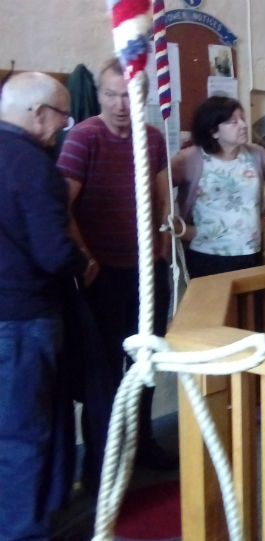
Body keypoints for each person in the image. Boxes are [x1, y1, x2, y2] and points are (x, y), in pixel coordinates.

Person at [57, 58, 175, 478]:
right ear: (100, 95)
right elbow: (62, 204)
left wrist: (163, 234)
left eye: (129, 95)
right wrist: (86, 257)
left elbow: (161, 194)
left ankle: (143, 443)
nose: (120, 104)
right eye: (111, 94)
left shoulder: (153, 139)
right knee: (102, 374)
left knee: (145, 365)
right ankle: (100, 465)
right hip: (103, 274)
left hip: (146, 272)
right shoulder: (82, 138)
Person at [0, 72, 90, 541]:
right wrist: (84, 262)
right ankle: (21, 531)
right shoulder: (33, 166)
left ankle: (42, 504)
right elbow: (54, 253)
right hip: (22, 318)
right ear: (38, 113)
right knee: (22, 432)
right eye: (62, 114)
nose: (64, 126)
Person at [171, 96, 265, 277]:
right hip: (205, 254)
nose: (243, 125)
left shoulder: (256, 154)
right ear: (214, 131)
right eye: (233, 122)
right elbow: (156, 190)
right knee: (211, 305)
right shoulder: (189, 159)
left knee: (251, 305)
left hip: (249, 252)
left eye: (242, 119)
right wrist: (178, 229)